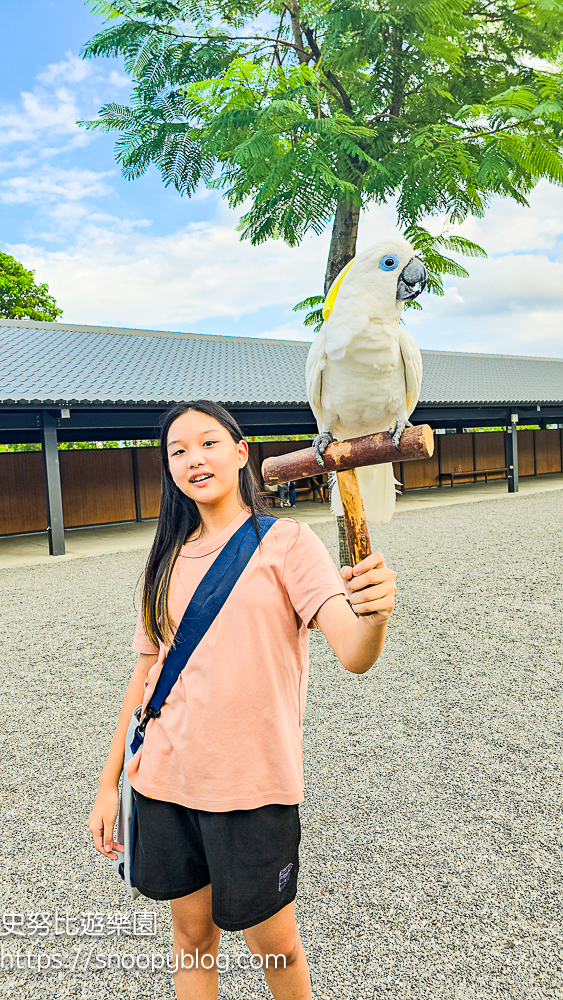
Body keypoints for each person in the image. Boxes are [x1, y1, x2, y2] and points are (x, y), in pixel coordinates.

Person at [87, 399, 397, 1000]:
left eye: (207, 443)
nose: (193, 459)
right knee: (192, 939)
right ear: (168, 468)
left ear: (240, 452)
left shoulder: (288, 544)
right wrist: (109, 784)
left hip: (252, 787)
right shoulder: (165, 560)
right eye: (177, 451)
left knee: (275, 947)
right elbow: (146, 675)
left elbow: (355, 651)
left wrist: (377, 614)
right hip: (163, 780)